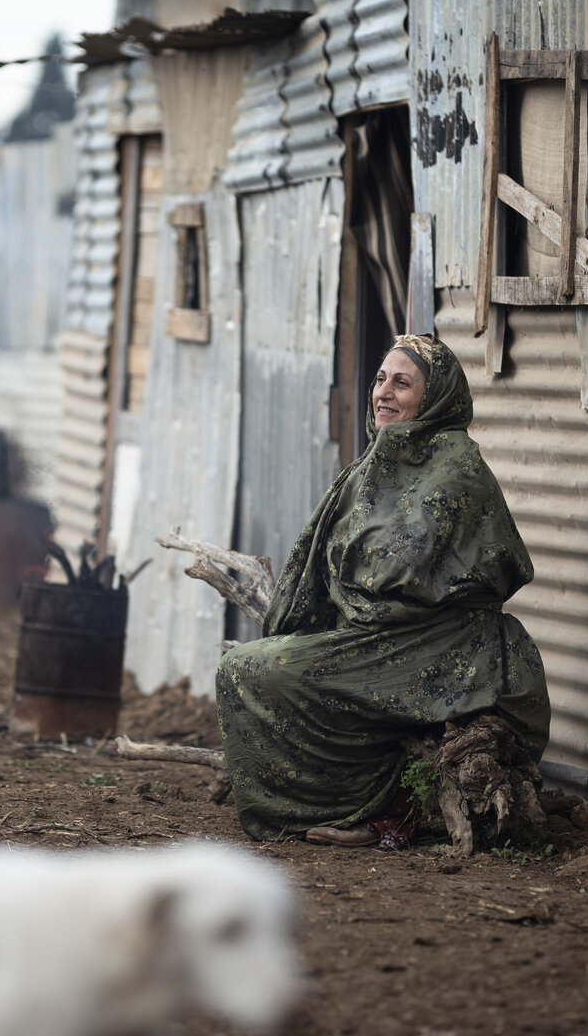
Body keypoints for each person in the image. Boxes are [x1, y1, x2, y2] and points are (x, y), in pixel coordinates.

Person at [214, 333, 549, 846]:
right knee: (248, 669)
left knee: (260, 670)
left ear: (435, 396)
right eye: (379, 379)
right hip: (378, 636)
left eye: (402, 383)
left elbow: (401, 576)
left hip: (437, 646)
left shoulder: (457, 472)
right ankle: (348, 800)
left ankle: (372, 811)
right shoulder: (376, 465)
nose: (383, 393)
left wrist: (352, 595)